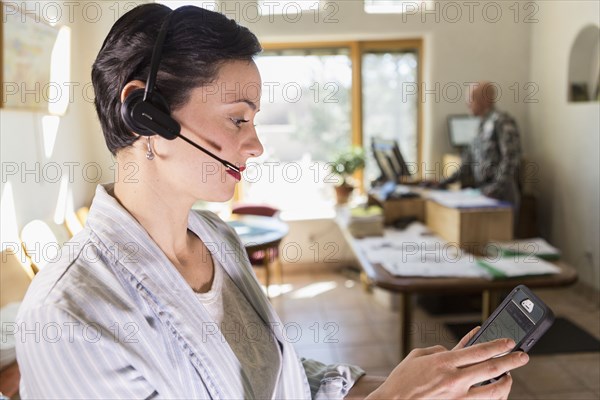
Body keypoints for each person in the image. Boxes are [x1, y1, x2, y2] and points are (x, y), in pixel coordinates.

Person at [15, 4, 529, 399]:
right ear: (145, 114)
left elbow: (276, 376)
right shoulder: (72, 315)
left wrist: (408, 383)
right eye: (238, 118)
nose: (256, 144)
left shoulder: (218, 239)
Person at [438, 82, 523, 208]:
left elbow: (511, 159)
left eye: (471, 98)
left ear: (485, 99)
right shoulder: (480, 127)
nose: (467, 103)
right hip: (484, 192)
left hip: (501, 195)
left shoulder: (502, 121)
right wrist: (442, 182)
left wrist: (495, 189)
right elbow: (467, 164)